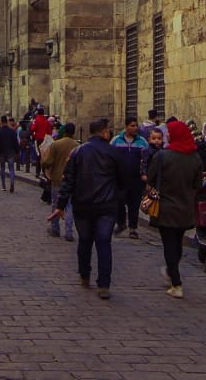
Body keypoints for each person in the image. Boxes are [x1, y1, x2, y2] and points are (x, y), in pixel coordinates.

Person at [52, 117, 132, 300]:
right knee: (104, 243)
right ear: (104, 132)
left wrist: (61, 205)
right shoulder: (114, 153)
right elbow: (123, 183)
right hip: (106, 206)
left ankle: (84, 275)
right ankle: (104, 284)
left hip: (83, 205)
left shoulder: (78, 152)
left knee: (85, 241)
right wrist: (120, 208)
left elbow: (68, 181)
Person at [146, 119, 202, 299]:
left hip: (166, 207)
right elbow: (197, 184)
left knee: (169, 244)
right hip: (185, 207)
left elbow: (151, 178)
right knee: (177, 242)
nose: (167, 135)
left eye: (169, 133)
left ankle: (176, 283)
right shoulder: (195, 157)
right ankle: (172, 272)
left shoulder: (162, 156)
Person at [109, 117, 148, 239]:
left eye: (136, 125)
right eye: (132, 125)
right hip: (120, 179)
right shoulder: (116, 141)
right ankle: (121, 223)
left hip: (136, 179)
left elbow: (146, 160)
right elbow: (110, 158)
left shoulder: (142, 142)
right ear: (126, 127)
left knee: (134, 204)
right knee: (119, 202)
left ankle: (133, 228)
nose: (135, 128)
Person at [41, 123, 79, 240]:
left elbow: (47, 162)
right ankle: (69, 232)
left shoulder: (56, 145)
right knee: (70, 206)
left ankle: (55, 228)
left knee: (56, 204)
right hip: (72, 180)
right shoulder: (77, 146)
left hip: (57, 178)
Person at [0, 116, 21, 192]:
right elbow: (16, 143)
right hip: (11, 152)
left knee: (2, 169)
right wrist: (18, 151)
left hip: (2, 152)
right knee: (11, 169)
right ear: (7, 122)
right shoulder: (12, 131)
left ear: (1, 122)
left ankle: (3, 186)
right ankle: (12, 182)